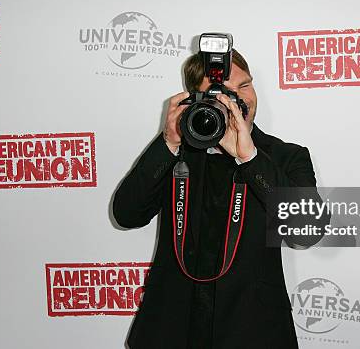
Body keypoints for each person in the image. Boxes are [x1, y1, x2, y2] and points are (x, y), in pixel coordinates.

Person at [113, 47, 326, 349]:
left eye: (245, 85)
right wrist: (169, 142)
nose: (240, 99)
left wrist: (249, 158)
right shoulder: (177, 153)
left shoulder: (285, 157)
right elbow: (127, 214)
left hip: (252, 330)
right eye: (223, 92)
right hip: (172, 329)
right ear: (195, 99)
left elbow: (308, 231)